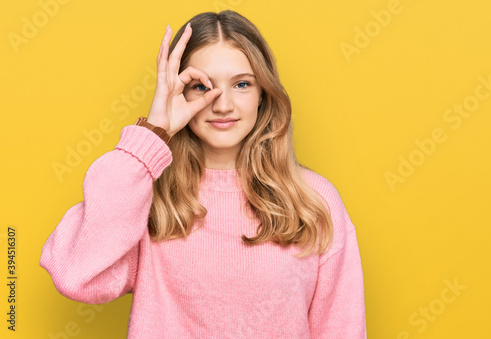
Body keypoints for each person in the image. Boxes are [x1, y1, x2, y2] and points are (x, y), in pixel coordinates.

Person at [40, 10, 367, 338]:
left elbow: (341, 327)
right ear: (179, 92)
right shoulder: (147, 196)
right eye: (202, 86)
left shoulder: (313, 200)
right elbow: (75, 274)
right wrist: (153, 135)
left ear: (262, 95)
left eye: (241, 84)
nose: (222, 105)